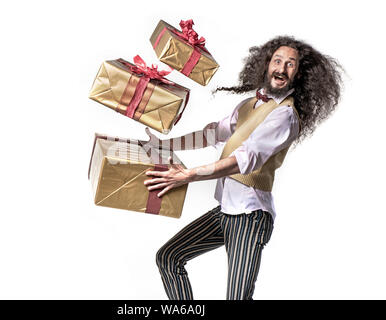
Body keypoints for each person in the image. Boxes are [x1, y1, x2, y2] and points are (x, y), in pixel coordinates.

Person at [143, 35, 343, 300]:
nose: (281, 69)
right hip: (226, 212)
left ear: (299, 74)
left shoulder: (284, 115)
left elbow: (243, 160)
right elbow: (211, 134)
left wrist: (188, 175)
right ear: (266, 64)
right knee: (169, 257)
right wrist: (166, 145)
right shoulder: (250, 105)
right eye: (277, 61)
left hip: (250, 217)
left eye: (290, 64)